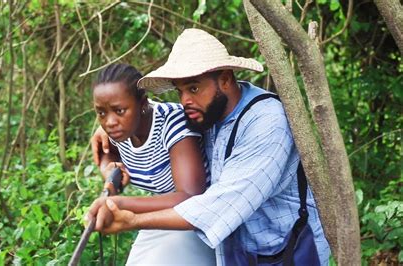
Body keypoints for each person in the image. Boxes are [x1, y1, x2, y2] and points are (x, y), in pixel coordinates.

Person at [88, 29, 331, 265]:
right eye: (180, 90)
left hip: (288, 248)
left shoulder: (266, 121)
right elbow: (152, 113)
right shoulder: (206, 113)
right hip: (238, 251)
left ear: (225, 79)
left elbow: (221, 205)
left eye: (193, 88)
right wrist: (110, 127)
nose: (185, 101)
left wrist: (132, 219)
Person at [86, 63, 216, 265]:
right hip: (160, 218)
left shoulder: (171, 124)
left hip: (200, 222)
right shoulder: (121, 130)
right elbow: (106, 153)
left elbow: (191, 197)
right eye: (101, 113)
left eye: (119, 110)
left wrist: (120, 203)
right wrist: (110, 172)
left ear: (143, 103)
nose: (109, 122)